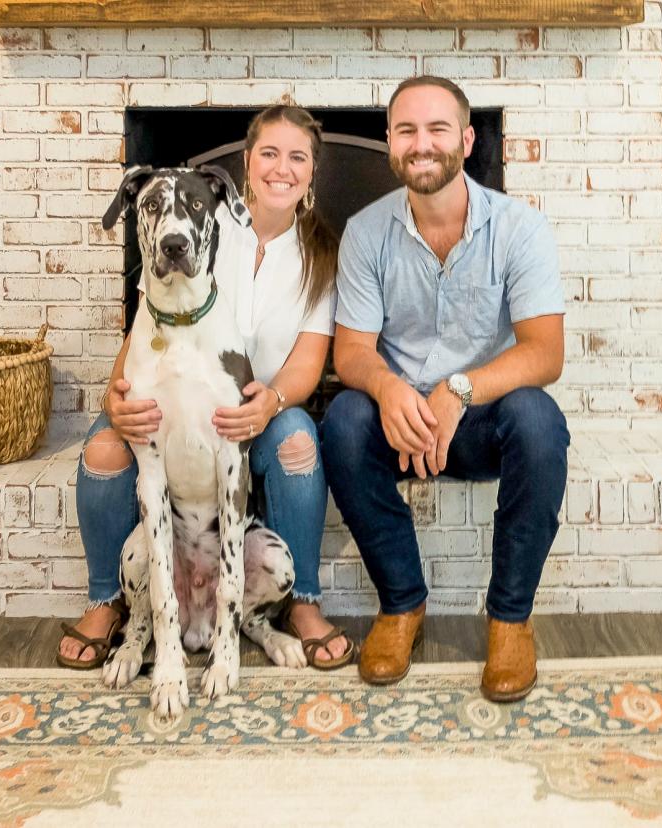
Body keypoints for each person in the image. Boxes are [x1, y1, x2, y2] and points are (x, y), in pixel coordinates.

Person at [57, 104, 355, 672]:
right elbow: (150, 318)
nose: (281, 168)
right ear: (246, 162)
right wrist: (114, 397)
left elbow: (308, 362)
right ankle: (106, 600)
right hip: (169, 392)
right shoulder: (207, 218)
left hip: (256, 411)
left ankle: (305, 602)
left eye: (297, 157)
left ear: (312, 171)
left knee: (297, 440)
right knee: (101, 449)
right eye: (269, 153)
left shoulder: (319, 255)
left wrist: (269, 403)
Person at [321, 76, 569, 703]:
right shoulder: (365, 232)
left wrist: (459, 391)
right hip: (402, 422)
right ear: (388, 143)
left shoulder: (520, 228)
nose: (421, 143)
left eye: (437, 129)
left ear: (465, 139)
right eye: (406, 130)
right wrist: (387, 387)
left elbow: (546, 353)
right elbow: (350, 352)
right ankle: (402, 604)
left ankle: (510, 620)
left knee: (539, 420)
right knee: (345, 419)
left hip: (480, 420)